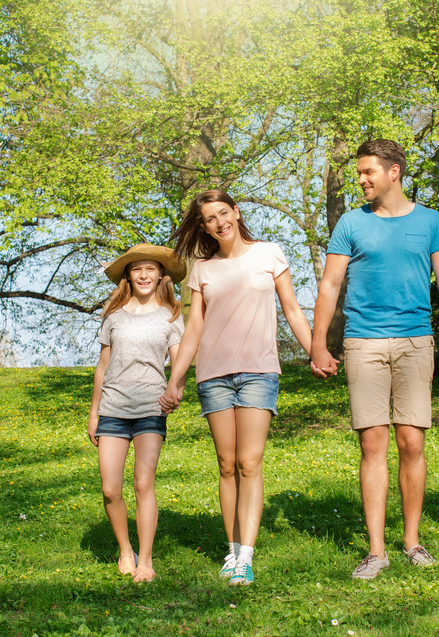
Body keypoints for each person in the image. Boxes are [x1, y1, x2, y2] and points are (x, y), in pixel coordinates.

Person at [310, 139, 439, 579]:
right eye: (359, 172)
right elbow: (329, 285)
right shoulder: (350, 224)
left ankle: (412, 541)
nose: (361, 180)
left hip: (416, 340)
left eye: (368, 172)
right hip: (363, 342)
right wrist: (318, 344)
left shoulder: (431, 222)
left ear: (394, 171)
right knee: (372, 442)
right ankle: (377, 550)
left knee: (412, 442)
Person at [158, 189, 312, 587]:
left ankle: (246, 555)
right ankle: (231, 550)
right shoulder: (202, 270)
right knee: (226, 466)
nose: (218, 222)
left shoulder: (269, 254)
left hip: (259, 372)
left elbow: (292, 309)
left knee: (250, 462)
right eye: (209, 218)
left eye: (223, 213)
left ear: (236, 212)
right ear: (204, 226)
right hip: (213, 376)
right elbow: (194, 329)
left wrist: (316, 352)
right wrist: (176, 379)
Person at [87, 243, 187, 582]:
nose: (144, 274)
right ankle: (125, 550)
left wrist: (177, 387)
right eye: (137, 269)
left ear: (161, 275)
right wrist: (93, 413)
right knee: (110, 489)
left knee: (144, 482)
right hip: (113, 410)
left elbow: (179, 362)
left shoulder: (171, 316)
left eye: (150, 268)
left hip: (150, 408)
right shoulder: (113, 317)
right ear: (128, 276)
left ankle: (145, 560)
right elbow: (102, 367)